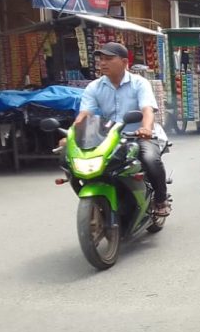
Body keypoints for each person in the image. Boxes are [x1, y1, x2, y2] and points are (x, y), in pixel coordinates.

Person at [72, 42, 170, 216]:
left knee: (150, 159)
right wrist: (72, 136)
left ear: (125, 62)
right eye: (101, 59)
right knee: (75, 164)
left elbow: (147, 110)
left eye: (109, 59)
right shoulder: (93, 87)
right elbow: (84, 116)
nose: (102, 63)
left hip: (137, 135)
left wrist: (146, 128)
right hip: (108, 138)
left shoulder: (140, 83)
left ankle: (161, 199)